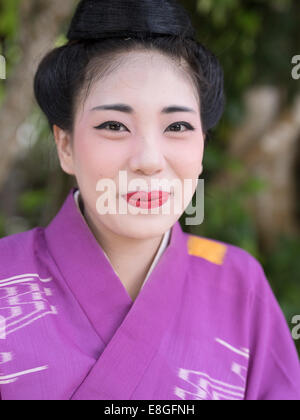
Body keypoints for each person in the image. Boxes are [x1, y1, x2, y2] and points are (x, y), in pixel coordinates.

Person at [0, 0, 299, 401]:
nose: (148, 161)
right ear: (65, 144)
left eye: (177, 126)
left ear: (202, 143)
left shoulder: (239, 283)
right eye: (114, 125)